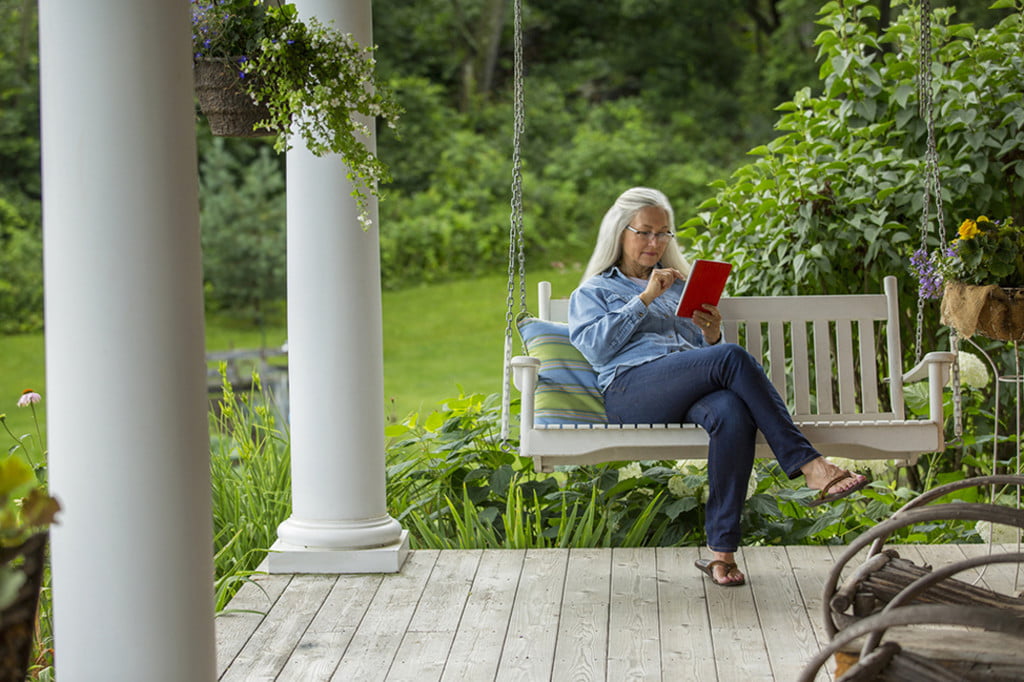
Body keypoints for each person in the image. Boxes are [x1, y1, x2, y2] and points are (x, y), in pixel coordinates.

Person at [567, 187, 869, 587]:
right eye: (644, 232)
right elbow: (595, 349)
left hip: (679, 388)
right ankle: (811, 466)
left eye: (663, 233)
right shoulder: (594, 291)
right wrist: (643, 299)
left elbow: (696, 357)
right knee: (731, 357)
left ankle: (721, 553)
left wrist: (709, 335)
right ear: (619, 232)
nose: (654, 242)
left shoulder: (679, 287)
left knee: (731, 411)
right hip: (630, 391)